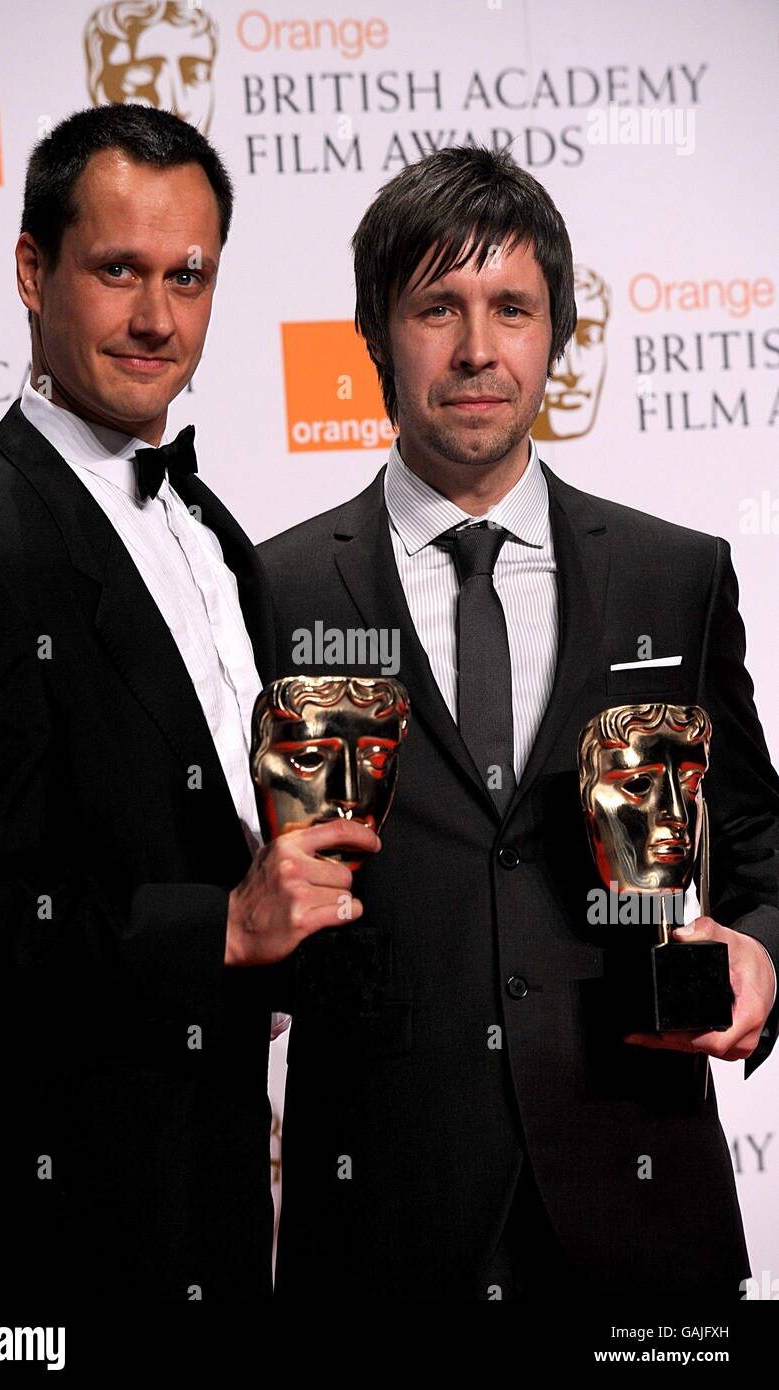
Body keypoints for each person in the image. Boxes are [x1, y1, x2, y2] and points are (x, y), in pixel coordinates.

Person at [258, 146, 779, 1301]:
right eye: (437, 306)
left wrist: (761, 952)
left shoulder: (675, 573)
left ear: (558, 332)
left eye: (512, 308)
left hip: (642, 1209)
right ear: (374, 338)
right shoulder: (272, 590)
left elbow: (762, 856)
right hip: (383, 1221)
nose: (478, 348)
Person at [0, 103, 377, 1304]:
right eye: (118, 269)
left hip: (216, 1174)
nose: (159, 317)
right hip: (60, 1217)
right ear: (32, 269)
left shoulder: (211, 529)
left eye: (189, 275)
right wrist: (215, 927)